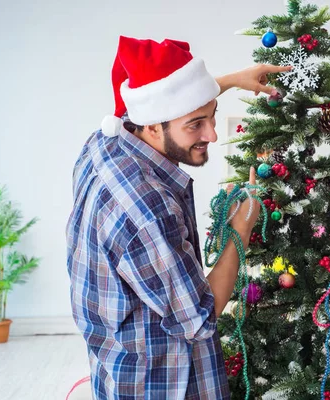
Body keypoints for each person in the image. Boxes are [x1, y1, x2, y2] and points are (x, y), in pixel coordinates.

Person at [66, 36, 289, 399]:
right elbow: (201, 315)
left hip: (114, 365)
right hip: (160, 383)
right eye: (196, 124)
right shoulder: (147, 208)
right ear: (153, 126)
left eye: (212, 115)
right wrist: (241, 227)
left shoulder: (106, 141)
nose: (212, 134)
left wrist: (230, 80)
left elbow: (165, 103)